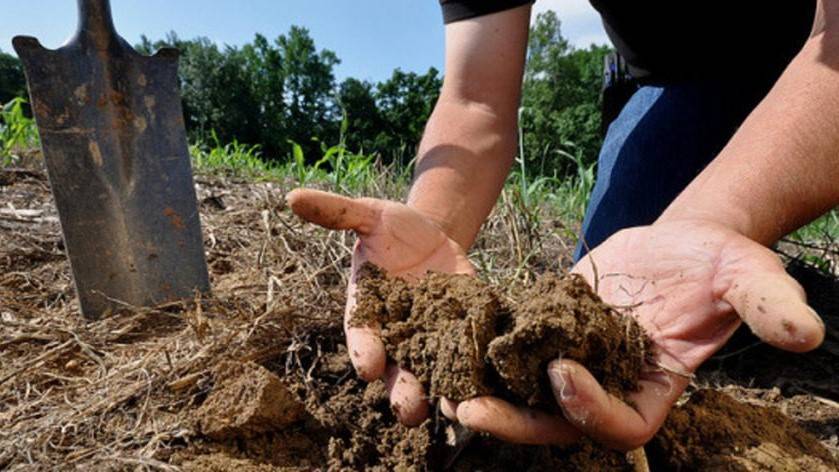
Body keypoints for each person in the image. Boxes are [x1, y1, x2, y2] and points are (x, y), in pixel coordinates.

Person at [287, 0, 837, 451]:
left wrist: (726, 216)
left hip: (819, 48)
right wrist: (428, 250)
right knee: (615, 295)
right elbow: (476, 98)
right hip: (681, 82)